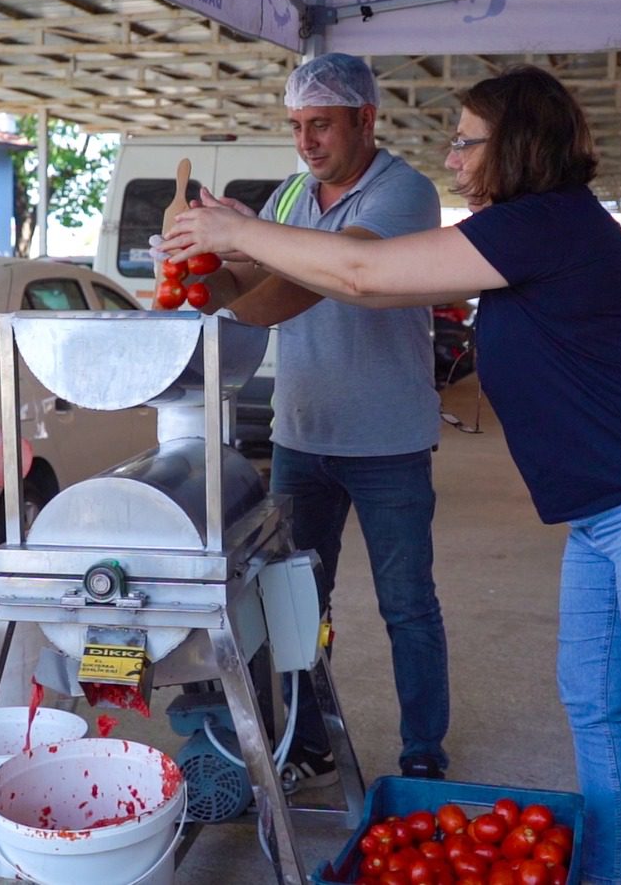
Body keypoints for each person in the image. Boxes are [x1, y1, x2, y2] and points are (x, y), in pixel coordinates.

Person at [163, 65, 621, 884]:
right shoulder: (529, 228)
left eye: (465, 142)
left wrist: (237, 232)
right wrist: (241, 234)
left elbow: (366, 275)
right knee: (595, 707)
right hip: (608, 514)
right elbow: (338, 280)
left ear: (517, 145)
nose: (451, 159)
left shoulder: (545, 222)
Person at [174, 52, 451, 786]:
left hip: (388, 440)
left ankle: (423, 751)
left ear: (366, 118)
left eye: (322, 125)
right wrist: (194, 261)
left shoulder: (404, 193)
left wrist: (238, 259)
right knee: (295, 604)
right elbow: (243, 279)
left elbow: (314, 282)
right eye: (297, 125)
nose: (306, 142)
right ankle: (306, 741)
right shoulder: (292, 194)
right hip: (301, 435)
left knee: (407, 606)